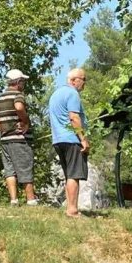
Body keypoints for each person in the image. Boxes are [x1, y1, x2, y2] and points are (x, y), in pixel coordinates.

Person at [0, 69, 39, 206]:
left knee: (9, 170)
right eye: (23, 81)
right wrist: (25, 122)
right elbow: (19, 107)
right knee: (25, 167)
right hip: (19, 138)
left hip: (5, 139)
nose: (24, 84)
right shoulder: (18, 95)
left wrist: (0, 125)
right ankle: (31, 200)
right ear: (18, 82)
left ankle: (13, 200)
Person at [49, 67, 90, 218]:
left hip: (58, 140)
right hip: (72, 139)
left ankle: (70, 208)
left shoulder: (55, 94)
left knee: (69, 175)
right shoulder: (72, 93)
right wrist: (83, 139)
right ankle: (72, 210)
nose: (84, 83)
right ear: (73, 80)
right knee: (74, 175)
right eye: (83, 79)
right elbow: (73, 117)